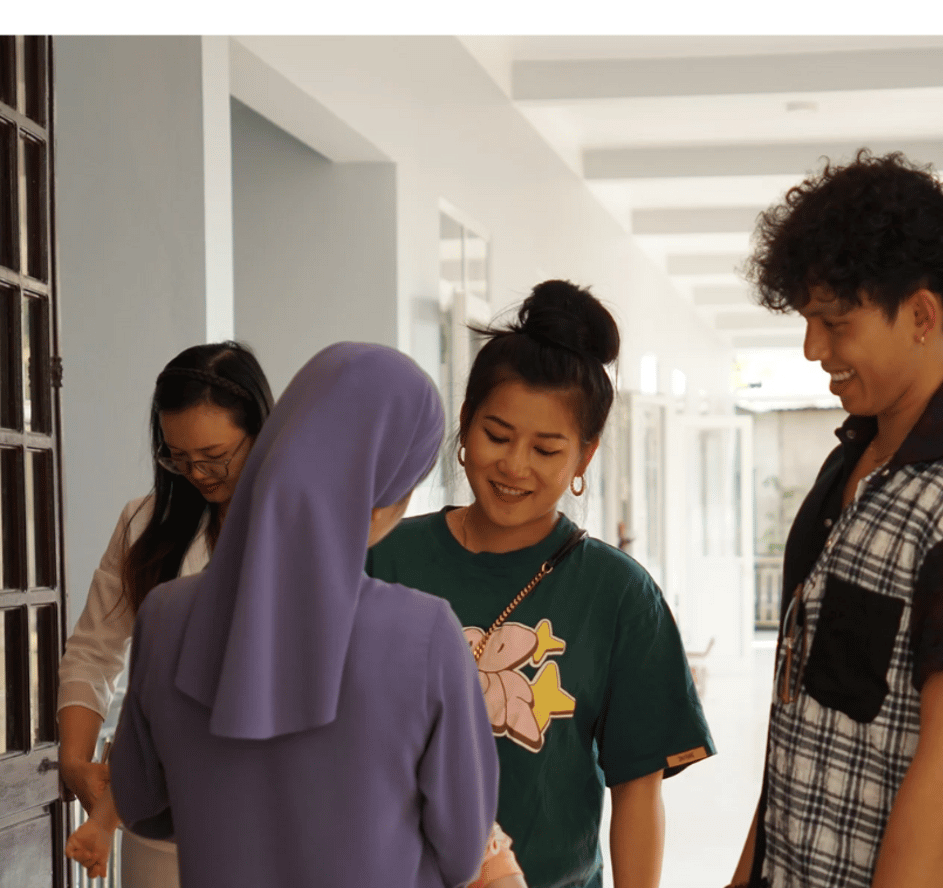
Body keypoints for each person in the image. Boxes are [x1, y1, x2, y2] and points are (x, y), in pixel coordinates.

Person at [730, 149, 943, 888]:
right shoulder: (854, 458)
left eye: (834, 323)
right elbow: (804, 719)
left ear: (919, 315)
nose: (814, 349)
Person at [108, 342, 497, 887]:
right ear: (390, 486)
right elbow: (463, 851)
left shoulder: (165, 617)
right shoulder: (426, 635)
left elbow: (142, 805)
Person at [369, 279, 714, 888]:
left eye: (547, 449)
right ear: (464, 425)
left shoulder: (619, 594)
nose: (514, 465)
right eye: (496, 436)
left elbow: (637, 792)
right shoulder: (385, 558)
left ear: (584, 457)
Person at [58, 342, 275, 885]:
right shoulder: (146, 525)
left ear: (262, 431)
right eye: (178, 457)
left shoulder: (296, 525)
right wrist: (76, 760)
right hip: (159, 808)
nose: (196, 473)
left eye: (214, 455)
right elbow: (94, 650)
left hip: (272, 806)